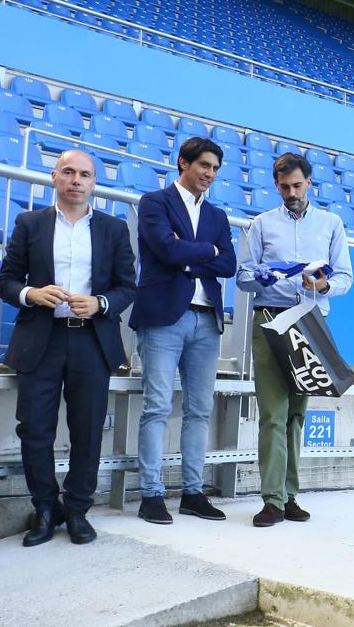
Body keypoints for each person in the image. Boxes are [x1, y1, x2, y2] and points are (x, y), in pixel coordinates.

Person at [0, 149, 137, 546]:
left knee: (88, 431)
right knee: (35, 431)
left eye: (85, 175)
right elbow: (6, 282)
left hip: (92, 342)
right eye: (69, 172)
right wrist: (30, 293)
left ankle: (77, 510)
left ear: (93, 183)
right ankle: (44, 509)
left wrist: (100, 303)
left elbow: (128, 286)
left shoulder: (113, 229)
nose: (77, 180)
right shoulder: (29, 224)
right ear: (54, 177)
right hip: (41, 341)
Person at [236, 152, 353, 527]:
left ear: (309, 183)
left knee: (297, 413)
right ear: (276, 186)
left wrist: (322, 284)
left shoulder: (331, 223)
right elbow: (242, 276)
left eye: (297, 186)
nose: (291, 192)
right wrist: (263, 278)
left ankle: (290, 497)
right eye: (284, 187)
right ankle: (272, 499)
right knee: (273, 411)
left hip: (310, 319)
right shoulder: (261, 224)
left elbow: (346, 278)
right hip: (270, 317)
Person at [129, 136, 236, 525]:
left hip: (206, 320)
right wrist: (205, 252)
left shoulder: (218, 217)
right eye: (204, 165)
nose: (209, 174)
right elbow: (166, 251)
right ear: (183, 163)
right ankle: (151, 495)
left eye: (214, 169)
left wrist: (194, 253)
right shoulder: (154, 202)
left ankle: (192, 493)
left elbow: (228, 264)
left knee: (199, 411)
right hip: (164, 317)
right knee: (157, 407)